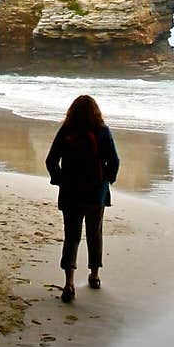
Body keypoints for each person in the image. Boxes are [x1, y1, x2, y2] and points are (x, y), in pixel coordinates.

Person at [45, 95, 119, 302]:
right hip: (96, 193)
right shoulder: (102, 131)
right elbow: (114, 160)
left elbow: (51, 160)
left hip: (70, 192)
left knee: (72, 236)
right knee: (94, 234)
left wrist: (60, 180)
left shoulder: (67, 130)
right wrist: (106, 181)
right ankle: (94, 275)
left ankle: (69, 282)